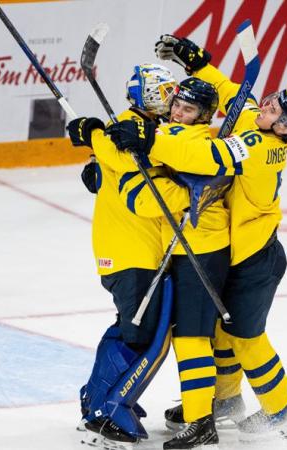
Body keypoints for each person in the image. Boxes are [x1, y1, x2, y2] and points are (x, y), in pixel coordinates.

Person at [106, 34, 287, 443]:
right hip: (238, 251)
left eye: (273, 107)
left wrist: (150, 138)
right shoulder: (259, 127)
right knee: (221, 333)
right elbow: (232, 94)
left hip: (256, 259)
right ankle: (224, 403)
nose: (265, 103)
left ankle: (279, 411)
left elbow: (207, 158)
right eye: (270, 99)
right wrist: (199, 65)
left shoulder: (260, 147)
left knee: (245, 337)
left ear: (285, 126)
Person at [110, 77, 231, 450]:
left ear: (204, 116)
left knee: (192, 337)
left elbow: (155, 149)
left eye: (189, 109)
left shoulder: (191, 142)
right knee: (188, 335)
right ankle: (202, 409)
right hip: (184, 247)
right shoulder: (174, 133)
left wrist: (115, 137)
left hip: (200, 250)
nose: (178, 111)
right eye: (177, 104)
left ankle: (201, 422)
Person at [65, 63, 178, 446]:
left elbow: (101, 174)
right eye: (165, 92)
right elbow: (126, 160)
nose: (172, 99)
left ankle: (97, 397)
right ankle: (106, 409)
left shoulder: (142, 131)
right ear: (147, 96)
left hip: (133, 248)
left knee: (133, 328)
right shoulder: (126, 133)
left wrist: (95, 140)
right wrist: (97, 134)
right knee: (143, 336)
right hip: (132, 252)